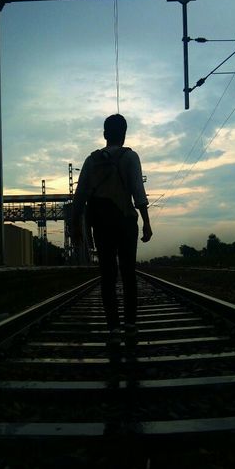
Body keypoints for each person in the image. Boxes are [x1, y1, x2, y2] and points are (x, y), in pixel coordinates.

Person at [71, 114, 152, 345]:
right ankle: (130, 325)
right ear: (124, 134)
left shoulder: (92, 160)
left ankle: (113, 328)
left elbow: (80, 196)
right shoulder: (130, 157)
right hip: (126, 222)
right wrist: (146, 222)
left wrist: (75, 224)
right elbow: (139, 193)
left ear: (105, 134)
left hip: (101, 224)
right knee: (128, 274)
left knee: (107, 275)